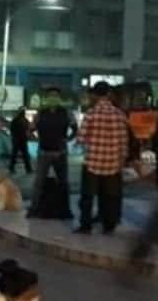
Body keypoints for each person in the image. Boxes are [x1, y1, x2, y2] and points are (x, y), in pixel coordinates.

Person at [76, 81, 129, 235]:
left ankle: (86, 226)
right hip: (112, 164)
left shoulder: (90, 114)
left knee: (87, 197)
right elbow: (124, 141)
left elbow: (81, 138)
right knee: (110, 197)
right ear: (108, 94)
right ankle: (109, 226)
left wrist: (92, 141)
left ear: (94, 95)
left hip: (92, 163)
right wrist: (121, 160)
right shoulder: (119, 114)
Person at [28, 87, 77, 217]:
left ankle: (66, 210)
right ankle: (33, 208)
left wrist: (68, 139)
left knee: (64, 182)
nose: (53, 98)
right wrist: (37, 140)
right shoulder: (40, 113)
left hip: (61, 153)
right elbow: (30, 130)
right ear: (46, 98)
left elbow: (75, 129)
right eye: (50, 96)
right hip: (43, 152)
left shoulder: (67, 113)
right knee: (38, 182)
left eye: (55, 96)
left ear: (59, 98)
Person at [8, 107, 33, 175]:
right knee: (24, 155)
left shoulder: (16, 120)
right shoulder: (24, 120)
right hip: (22, 139)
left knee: (15, 154)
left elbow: (12, 129)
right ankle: (28, 169)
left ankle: (12, 168)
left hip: (17, 139)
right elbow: (28, 129)